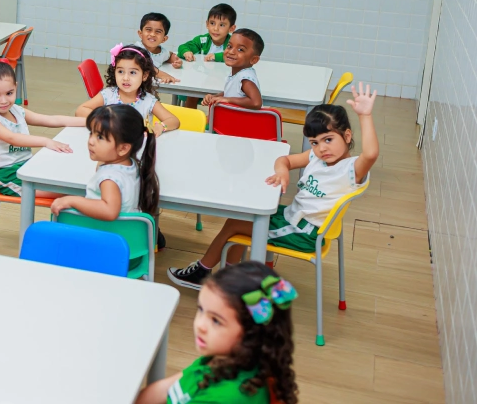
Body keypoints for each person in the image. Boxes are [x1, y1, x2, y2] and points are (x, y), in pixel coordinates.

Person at [168, 83, 378, 290]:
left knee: (235, 224)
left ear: (347, 136)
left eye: (328, 139)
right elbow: (284, 159)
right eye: (315, 142)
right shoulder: (317, 156)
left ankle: (202, 272)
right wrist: (282, 170)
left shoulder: (350, 170)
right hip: (292, 218)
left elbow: (370, 154)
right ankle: (228, 277)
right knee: (244, 214)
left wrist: (365, 115)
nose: (322, 148)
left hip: (304, 232)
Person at [136, 261, 299, 404]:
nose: (200, 325)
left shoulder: (225, 397)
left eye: (216, 320)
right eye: (201, 309)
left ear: (252, 333)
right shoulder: (221, 359)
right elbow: (166, 388)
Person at [0, 62, 84, 197]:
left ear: (16, 87)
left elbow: (51, 120)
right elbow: (12, 138)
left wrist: (89, 121)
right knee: (70, 191)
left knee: (71, 177)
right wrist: (46, 141)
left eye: (9, 93)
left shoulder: (15, 110)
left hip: (27, 166)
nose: (4, 101)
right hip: (8, 176)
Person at [50, 104, 159, 219]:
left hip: (102, 229)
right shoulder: (131, 164)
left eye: (100, 137)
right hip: (127, 229)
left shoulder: (109, 178)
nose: (91, 141)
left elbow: (109, 211)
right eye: (91, 133)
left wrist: (71, 201)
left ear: (123, 148)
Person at [76, 44, 180, 136]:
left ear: (144, 75)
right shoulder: (108, 95)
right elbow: (80, 110)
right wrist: (105, 120)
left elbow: (174, 121)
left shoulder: (148, 101)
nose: (125, 78)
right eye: (120, 71)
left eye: (132, 73)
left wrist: (161, 126)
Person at [178, 3, 237, 109]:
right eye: (212, 23)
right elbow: (183, 47)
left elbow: (236, 56)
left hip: (222, 84)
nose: (216, 28)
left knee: (222, 100)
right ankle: (191, 118)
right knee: (192, 93)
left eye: (222, 25)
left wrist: (216, 56)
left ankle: (214, 119)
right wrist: (186, 52)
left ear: (231, 28)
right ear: (207, 24)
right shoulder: (202, 40)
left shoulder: (233, 43)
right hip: (201, 81)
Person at [201, 28, 264, 111]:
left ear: (254, 59)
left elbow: (256, 102)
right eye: (229, 46)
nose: (231, 52)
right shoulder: (238, 73)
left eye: (240, 49)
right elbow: (232, 93)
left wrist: (228, 100)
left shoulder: (245, 78)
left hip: (242, 119)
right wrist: (215, 97)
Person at [137, 13, 182, 84]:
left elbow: (169, 55)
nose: (152, 34)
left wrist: (176, 61)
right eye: (148, 30)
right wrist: (163, 75)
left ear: (164, 39)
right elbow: (146, 67)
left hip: (151, 86)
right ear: (140, 34)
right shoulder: (136, 50)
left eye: (158, 31)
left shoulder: (162, 52)